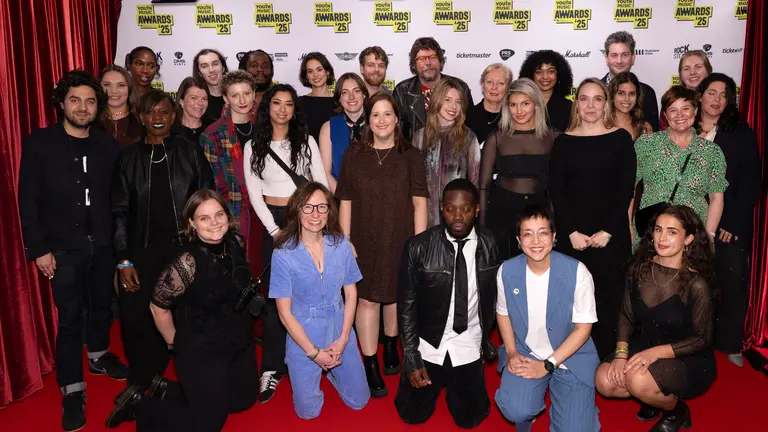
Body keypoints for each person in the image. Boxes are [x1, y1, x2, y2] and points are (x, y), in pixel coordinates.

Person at [18, 70, 127, 431]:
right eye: (76, 100)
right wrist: (39, 250)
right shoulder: (39, 144)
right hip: (62, 250)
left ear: (98, 107)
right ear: (61, 104)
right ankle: (72, 389)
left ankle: (97, 355)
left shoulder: (106, 145)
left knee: (101, 307)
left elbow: (117, 197)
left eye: (90, 101)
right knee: (68, 319)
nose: (83, 107)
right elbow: (27, 201)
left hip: (104, 245)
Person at [106, 189, 259, 431]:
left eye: (219, 214)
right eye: (204, 218)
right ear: (192, 223)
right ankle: (141, 404)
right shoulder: (187, 263)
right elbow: (157, 307)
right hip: (202, 347)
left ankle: (165, 388)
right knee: (210, 423)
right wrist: (174, 344)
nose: (214, 223)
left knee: (243, 401)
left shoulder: (236, 242)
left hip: (236, 338)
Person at [111, 89, 214, 393]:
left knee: (188, 318)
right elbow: (118, 213)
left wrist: (205, 251)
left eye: (164, 112)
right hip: (140, 254)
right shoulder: (127, 159)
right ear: (141, 118)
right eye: (150, 112)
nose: (157, 118)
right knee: (137, 321)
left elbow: (206, 200)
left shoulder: (190, 152)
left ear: (174, 116)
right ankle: (143, 383)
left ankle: (194, 381)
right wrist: (124, 259)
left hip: (185, 252)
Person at [336, 92, 429, 397]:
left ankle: (391, 345)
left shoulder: (411, 156)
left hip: (400, 238)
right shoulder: (353, 155)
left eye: (387, 114)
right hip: (362, 241)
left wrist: (417, 245)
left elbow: (419, 204)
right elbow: (345, 201)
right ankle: (371, 362)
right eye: (375, 114)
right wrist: (345, 240)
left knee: (394, 297)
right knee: (368, 299)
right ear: (368, 120)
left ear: (397, 119)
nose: (381, 120)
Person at [244, 83, 329, 404]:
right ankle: (271, 368)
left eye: (288, 104)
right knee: (274, 299)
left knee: (310, 292)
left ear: (295, 110)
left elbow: (320, 185)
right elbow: (254, 193)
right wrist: (273, 230)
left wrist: (312, 222)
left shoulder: (305, 142)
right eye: (276, 103)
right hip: (273, 226)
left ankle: (309, 359)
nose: (282, 109)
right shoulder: (255, 145)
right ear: (267, 109)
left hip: (305, 219)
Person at [596, 205, 716, 432]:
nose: (662, 238)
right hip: (648, 344)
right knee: (604, 380)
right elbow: (625, 314)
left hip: (687, 356)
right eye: (658, 230)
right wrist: (621, 355)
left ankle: (676, 411)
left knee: (637, 381)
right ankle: (652, 396)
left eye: (672, 232)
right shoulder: (639, 270)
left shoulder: (696, 284)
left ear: (688, 239)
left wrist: (653, 354)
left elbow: (701, 339)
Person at [395, 179, 501, 428]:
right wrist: (411, 356)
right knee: (411, 415)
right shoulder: (418, 246)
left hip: (469, 342)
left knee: (470, 419)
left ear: (476, 209)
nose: (458, 216)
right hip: (429, 343)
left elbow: (498, 298)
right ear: (441, 208)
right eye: (451, 208)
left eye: (465, 209)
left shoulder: (493, 244)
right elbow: (406, 307)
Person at [549, 78, 636, 359]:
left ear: (606, 104)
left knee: (610, 297)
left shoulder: (621, 138)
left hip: (610, 236)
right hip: (573, 237)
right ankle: (573, 357)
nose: (590, 105)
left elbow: (626, 188)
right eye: (583, 98)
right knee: (573, 299)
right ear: (576, 104)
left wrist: (608, 231)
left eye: (597, 98)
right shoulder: (563, 142)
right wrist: (570, 231)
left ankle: (609, 358)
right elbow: (556, 191)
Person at [495, 205, 600, 432]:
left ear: (554, 237)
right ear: (518, 239)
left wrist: (548, 365)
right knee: (515, 408)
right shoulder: (507, 271)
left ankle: (573, 408)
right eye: (527, 234)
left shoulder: (578, 272)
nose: (535, 241)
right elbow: (502, 314)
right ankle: (529, 409)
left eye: (542, 232)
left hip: (569, 358)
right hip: (527, 352)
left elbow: (583, 329)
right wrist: (512, 351)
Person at [270, 182, 370, 419]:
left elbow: (352, 294)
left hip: (339, 326)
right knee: (308, 413)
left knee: (360, 402)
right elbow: (284, 313)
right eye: (308, 207)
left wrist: (344, 338)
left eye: (322, 207)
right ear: (297, 210)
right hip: (303, 332)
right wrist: (314, 353)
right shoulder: (283, 254)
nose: (315, 214)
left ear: (329, 211)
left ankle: (335, 373)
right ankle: (316, 368)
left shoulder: (341, 244)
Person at [697, 73, 761, 367]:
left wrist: (731, 224)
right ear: (700, 95)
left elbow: (751, 181)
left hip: (728, 223)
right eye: (712, 93)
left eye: (724, 95)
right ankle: (696, 342)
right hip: (690, 220)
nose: (717, 100)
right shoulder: (685, 126)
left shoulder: (739, 131)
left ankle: (730, 341)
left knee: (732, 282)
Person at [635, 86, 727, 239]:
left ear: (695, 111)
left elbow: (716, 197)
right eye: (673, 110)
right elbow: (629, 188)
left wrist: (709, 236)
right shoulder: (646, 144)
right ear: (665, 114)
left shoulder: (712, 151)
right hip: (652, 232)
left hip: (694, 234)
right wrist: (628, 227)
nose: (680, 115)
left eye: (686, 108)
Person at [480, 78, 556, 259]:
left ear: (536, 104)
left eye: (525, 104)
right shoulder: (496, 138)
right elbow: (483, 186)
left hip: (540, 213)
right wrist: (482, 230)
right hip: (502, 212)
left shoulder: (553, 136)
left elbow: (560, 186)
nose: (519, 111)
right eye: (513, 105)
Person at [412, 77, 480, 227]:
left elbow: (474, 183)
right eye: (447, 99)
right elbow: (414, 184)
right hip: (425, 219)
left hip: (457, 219)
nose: (453, 106)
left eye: (458, 101)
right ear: (436, 100)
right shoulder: (420, 137)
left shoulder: (468, 138)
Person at [200, 71, 258, 240]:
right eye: (235, 95)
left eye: (246, 94)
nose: (242, 101)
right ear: (225, 98)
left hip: (266, 212)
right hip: (233, 215)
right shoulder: (212, 135)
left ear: (254, 93)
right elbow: (213, 186)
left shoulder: (265, 128)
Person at [394, 37, 474, 142]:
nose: (428, 63)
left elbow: (470, 128)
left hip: (453, 153)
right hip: (414, 154)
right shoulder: (402, 91)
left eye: (433, 57)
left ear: (441, 61)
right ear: (414, 64)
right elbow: (397, 134)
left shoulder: (460, 87)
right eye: (422, 59)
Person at [318, 72, 370, 193]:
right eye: (345, 92)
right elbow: (325, 173)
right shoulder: (328, 128)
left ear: (364, 95)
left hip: (375, 198)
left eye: (356, 91)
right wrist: (344, 199)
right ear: (339, 98)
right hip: (340, 197)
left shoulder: (377, 124)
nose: (351, 97)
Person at [600, 31, 659, 131]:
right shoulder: (596, 90)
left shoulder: (647, 92)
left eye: (625, 55)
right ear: (607, 59)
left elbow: (653, 133)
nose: (619, 61)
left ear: (632, 58)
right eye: (614, 55)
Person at [518, 50, 574, 133]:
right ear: (531, 75)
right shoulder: (520, 103)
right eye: (539, 72)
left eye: (551, 71)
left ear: (558, 75)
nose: (545, 77)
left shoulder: (568, 106)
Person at [660, 50, 714, 130]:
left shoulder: (717, 100)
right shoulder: (671, 100)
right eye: (686, 69)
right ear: (680, 74)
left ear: (708, 70)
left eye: (698, 67)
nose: (692, 72)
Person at [465, 63, 513, 145]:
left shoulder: (514, 117)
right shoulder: (466, 117)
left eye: (500, 83)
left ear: (508, 87)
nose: (494, 87)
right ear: (482, 85)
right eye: (489, 82)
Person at [99, 65, 144, 148]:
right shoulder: (91, 121)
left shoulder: (142, 120)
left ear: (129, 88)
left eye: (121, 85)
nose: (114, 91)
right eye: (107, 85)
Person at [298, 52, 336, 143]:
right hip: (308, 153)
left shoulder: (339, 101)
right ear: (306, 76)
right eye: (310, 71)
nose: (315, 75)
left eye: (319, 69)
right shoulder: (300, 103)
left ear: (327, 71)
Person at [608, 72, 652, 141]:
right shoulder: (602, 124)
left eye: (632, 94)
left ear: (637, 97)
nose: (627, 99)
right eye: (621, 93)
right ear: (612, 95)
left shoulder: (644, 128)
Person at [171, 77, 213, 144]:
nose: (200, 103)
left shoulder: (214, 129)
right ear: (181, 101)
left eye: (204, 99)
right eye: (194, 98)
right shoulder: (170, 130)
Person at [193, 49, 229, 120]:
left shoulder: (237, 97)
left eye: (215, 64)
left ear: (223, 68)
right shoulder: (196, 103)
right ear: (199, 73)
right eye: (204, 66)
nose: (211, 70)